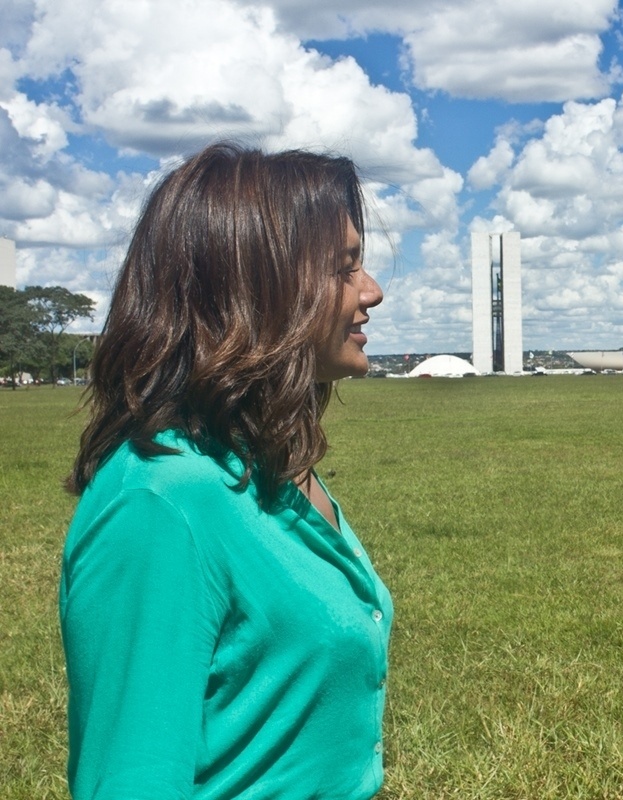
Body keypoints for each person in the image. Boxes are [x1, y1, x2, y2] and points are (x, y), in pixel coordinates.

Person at [60, 143, 391, 799]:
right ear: (256, 291)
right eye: (343, 268)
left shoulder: (268, 464)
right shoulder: (161, 502)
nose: (371, 292)